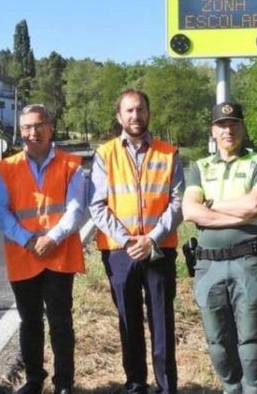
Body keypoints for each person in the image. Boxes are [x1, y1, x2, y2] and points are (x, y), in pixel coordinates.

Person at [89, 89, 184, 394]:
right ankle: (136, 384)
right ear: (119, 117)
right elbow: (97, 206)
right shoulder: (105, 154)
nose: (135, 116)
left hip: (159, 249)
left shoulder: (169, 153)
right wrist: (129, 241)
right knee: (128, 321)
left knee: (162, 321)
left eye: (140, 109)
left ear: (148, 113)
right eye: (129, 111)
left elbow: (178, 202)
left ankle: (167, 386)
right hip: (120, 252)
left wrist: (152, 239)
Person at [0, 104, 87, 394]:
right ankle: (34, 380)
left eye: (39, 125)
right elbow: (0, 211)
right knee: (30, 321)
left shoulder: (71, 165)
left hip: (58, 255)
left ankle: (64, 383)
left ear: (50, 127)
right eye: (27, 127)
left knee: (60, 321)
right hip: (24, 255)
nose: (33, 132)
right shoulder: (7, 167)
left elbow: (76, 209)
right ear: (20, 131)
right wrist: (28, 240)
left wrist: (51, 239)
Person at [182, 101, 257, 394]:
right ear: (213, 130)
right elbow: (190, 211)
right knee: (218, 343)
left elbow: (254, 205)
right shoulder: (200, 167)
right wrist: (236, 215)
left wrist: (211, 206)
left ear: (242, 127)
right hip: (208, 265)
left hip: (248, 262)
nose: (228, 130)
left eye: (233, 123)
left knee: (250, 344)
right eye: (221, 125)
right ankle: (231, 390)